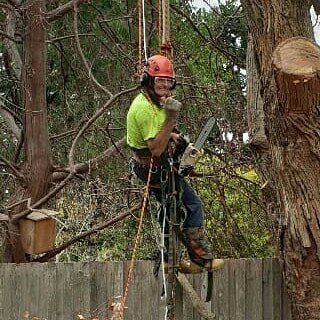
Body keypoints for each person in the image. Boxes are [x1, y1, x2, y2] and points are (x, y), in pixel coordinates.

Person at [126, 54, 223, 271]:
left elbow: (159, 133)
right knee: (190, 205)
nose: (165, 85)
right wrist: (171, 119)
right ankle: (200, 258)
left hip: (157, 164)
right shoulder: (143, 108)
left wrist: (174, 136)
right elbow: (155, 148)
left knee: (170, 209)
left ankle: (169, 258)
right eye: (160, 80)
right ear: (148, 80)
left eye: (168, 81)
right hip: (151, 167)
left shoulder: (154, 103)